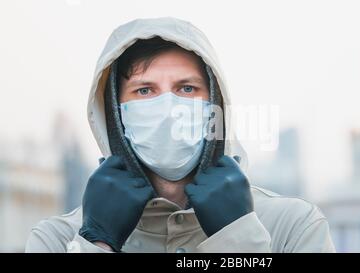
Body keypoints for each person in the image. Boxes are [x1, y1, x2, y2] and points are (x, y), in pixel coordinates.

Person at [25, 17, 335, 253]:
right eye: (144, 90)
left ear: (215, 103)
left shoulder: (292, 226)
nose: (168, 108)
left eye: (186, 89)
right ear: (115, 114)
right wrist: (98, 244)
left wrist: (237, 238)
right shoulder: (58, 240)